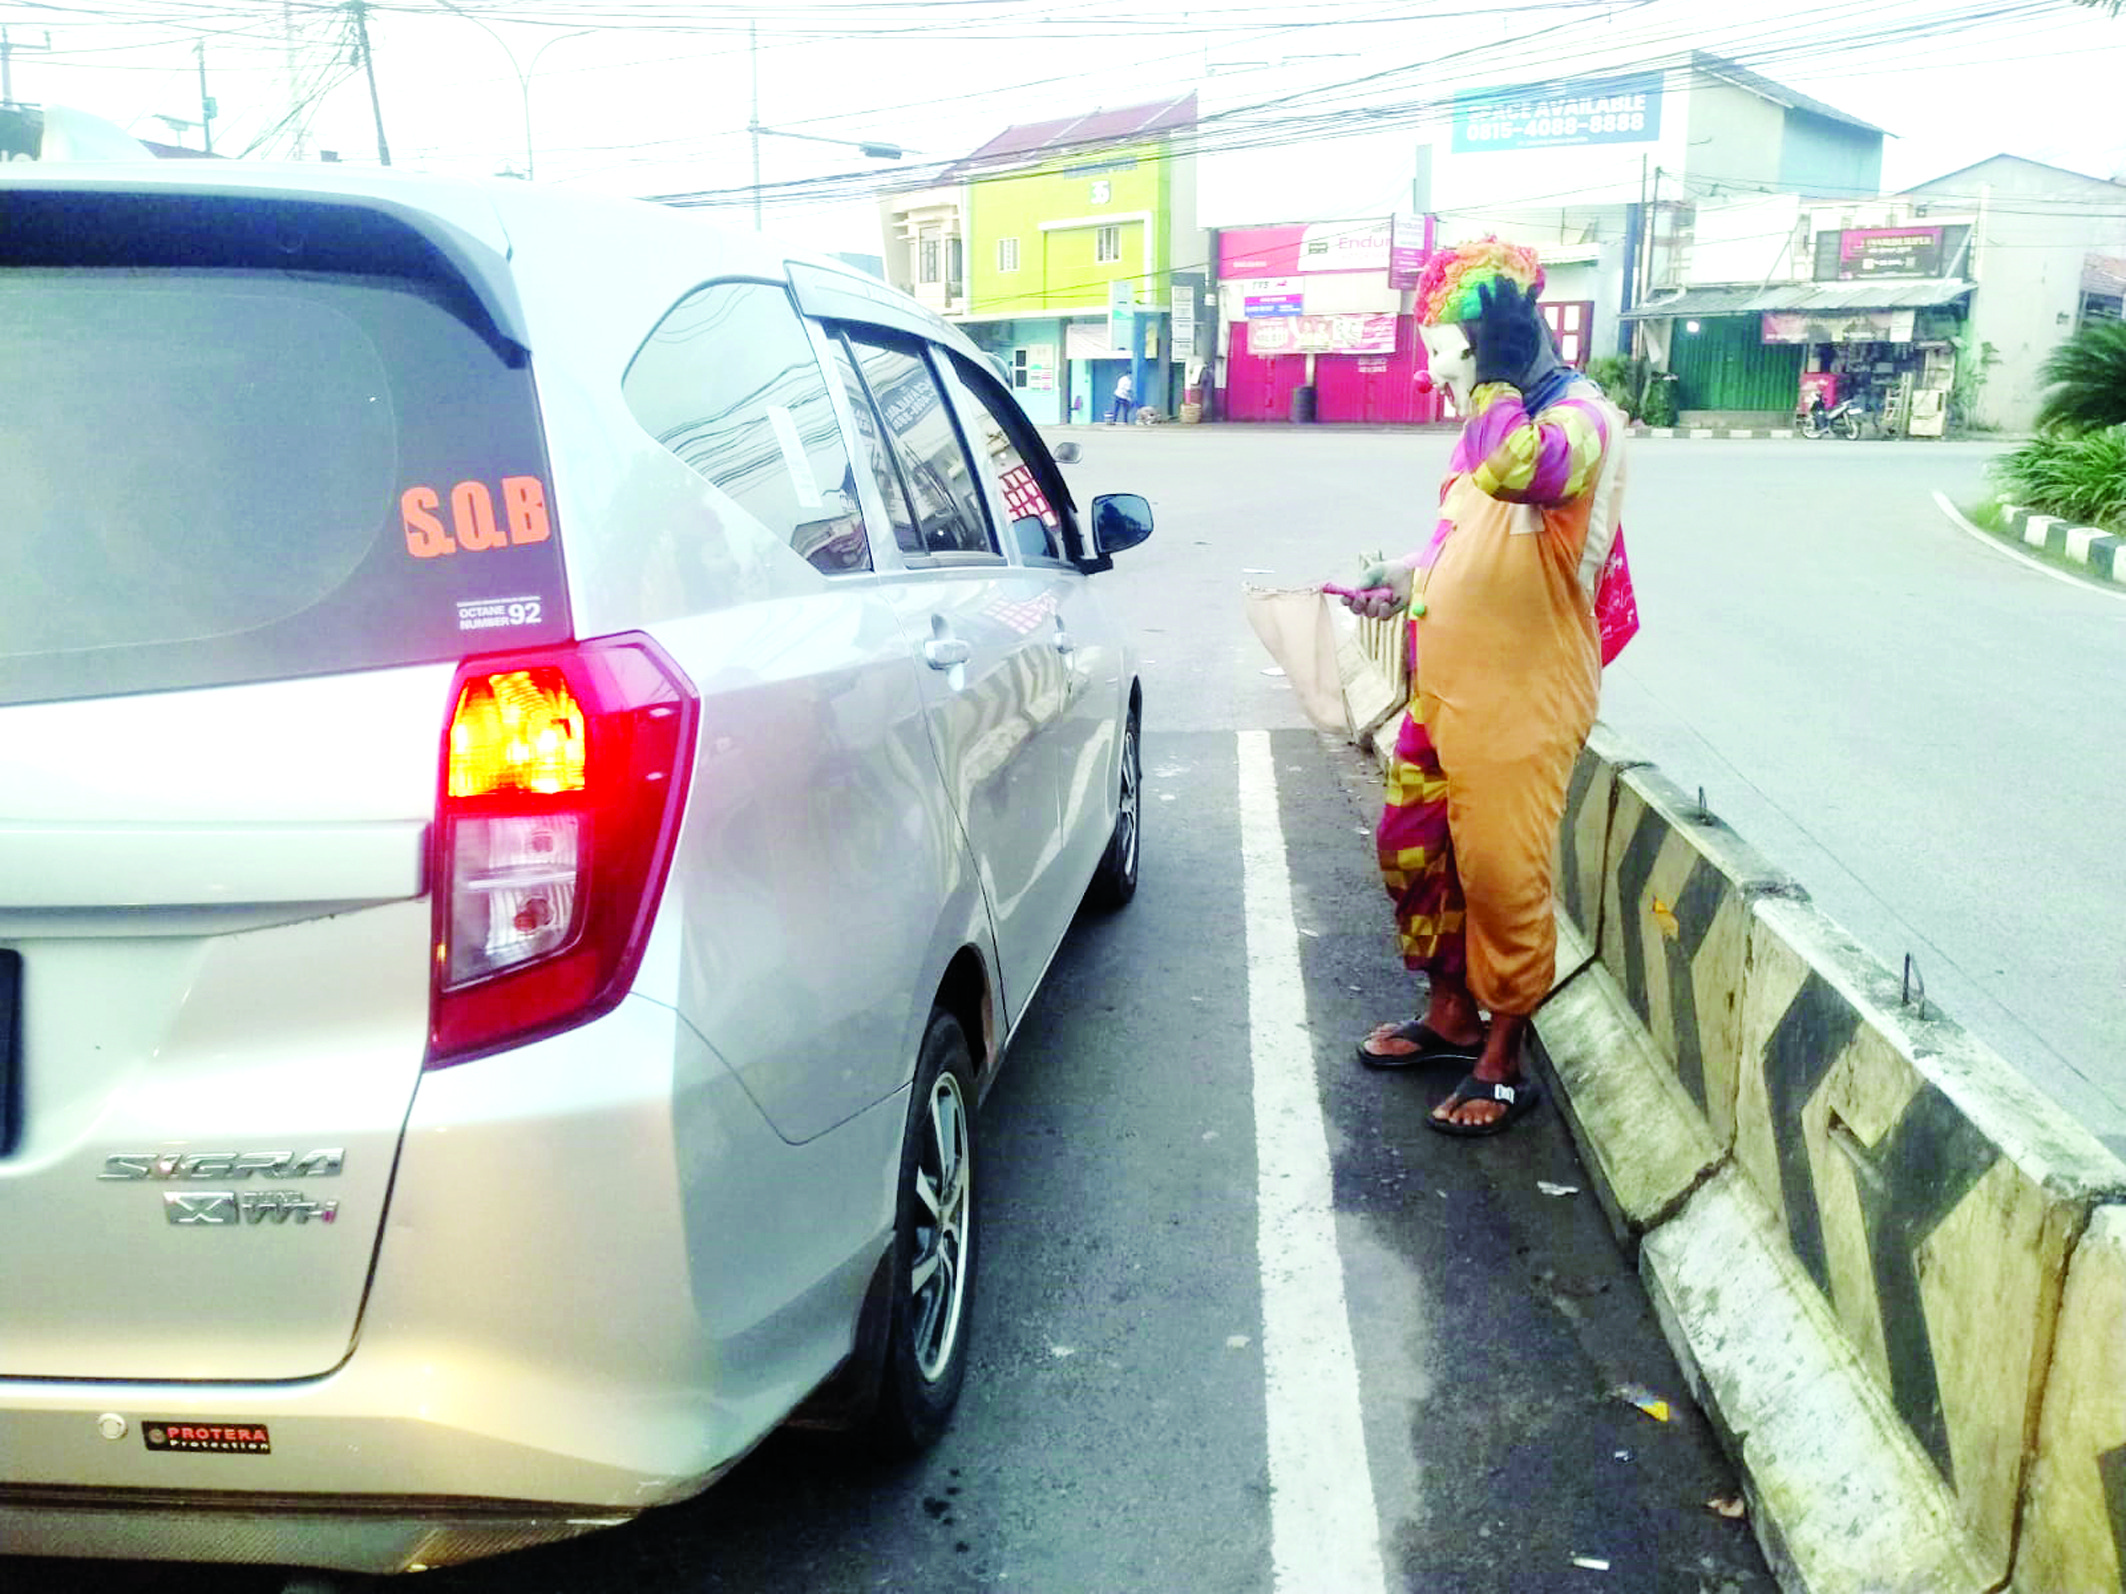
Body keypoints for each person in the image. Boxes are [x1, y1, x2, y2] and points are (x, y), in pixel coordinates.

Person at [1334, 240, 1627, 1137]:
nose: (1438, 377)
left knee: (1502, 876)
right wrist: (1401, 577)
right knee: (1414, 853)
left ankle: (1502, 1061)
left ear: (1498, 344)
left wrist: (1494, 382)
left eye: (1451, 354)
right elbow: (1459, 537)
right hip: (1445, 696)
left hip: (1523, 699)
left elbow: (1522, 473)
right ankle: (1451, 1014)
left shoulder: (1582, 420)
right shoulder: (1490, 424)